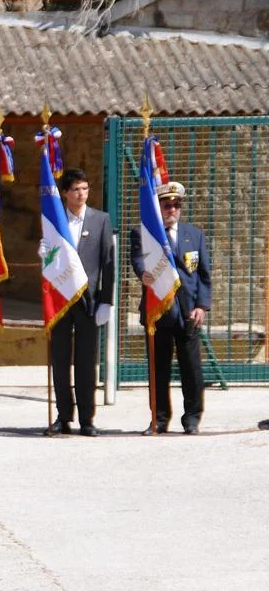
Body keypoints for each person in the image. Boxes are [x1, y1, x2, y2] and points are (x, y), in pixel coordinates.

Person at [131, 180, 212, 434]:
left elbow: (204, 275)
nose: (172, 210)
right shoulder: (145, 234)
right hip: (159, 310)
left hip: (188, 311)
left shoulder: (194, 234)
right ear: (159, 207)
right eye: (167, 205)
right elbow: (137, 259)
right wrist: (144, 272)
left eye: (176, 205)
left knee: (192, 369)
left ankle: (191, 419)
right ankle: (159, 419)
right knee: (159, 369)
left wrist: (202, 306)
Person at [48, 168, 115, 437]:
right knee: (60, 360)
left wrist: (106, 301)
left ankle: (87, 418)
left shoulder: (100, 220)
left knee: (87, 363)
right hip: (60, 300)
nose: (81, 194)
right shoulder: (53, 220)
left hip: (89, 302)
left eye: (85, 189)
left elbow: (108, 263)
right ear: (65, 193)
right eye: (76, 189)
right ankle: (64, 416)